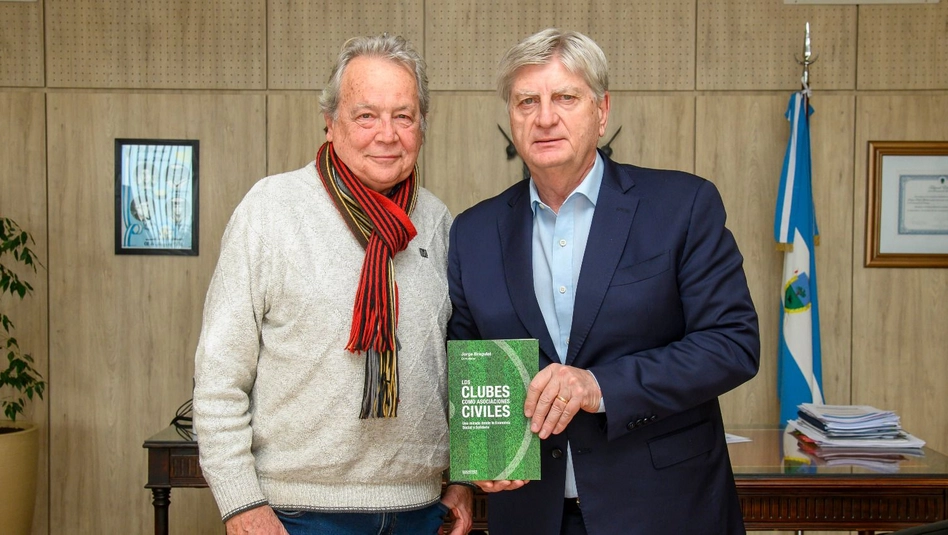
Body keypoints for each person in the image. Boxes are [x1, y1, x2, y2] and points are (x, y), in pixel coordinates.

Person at [447, 28, 760, 535]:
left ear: (602, 111)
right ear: (511, 117)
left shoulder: (682, 207)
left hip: (663, 512)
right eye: (527, 101)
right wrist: (480, 457)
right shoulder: (473, 232)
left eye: (565, 98)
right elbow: (467, 356)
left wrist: (598, 385)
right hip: (530, 514)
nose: (544, 117)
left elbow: (732, 344)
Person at [193, 34, 473, 535]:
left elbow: (461, 361)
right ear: (330, 122)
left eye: (403, 116)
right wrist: (241, 505)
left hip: (421, 511)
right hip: (295, 514)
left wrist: (464, 480)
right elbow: (219, 376)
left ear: (422, 127)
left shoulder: (437, 221)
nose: (386, 134)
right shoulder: (271, 210)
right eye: (366, 115)